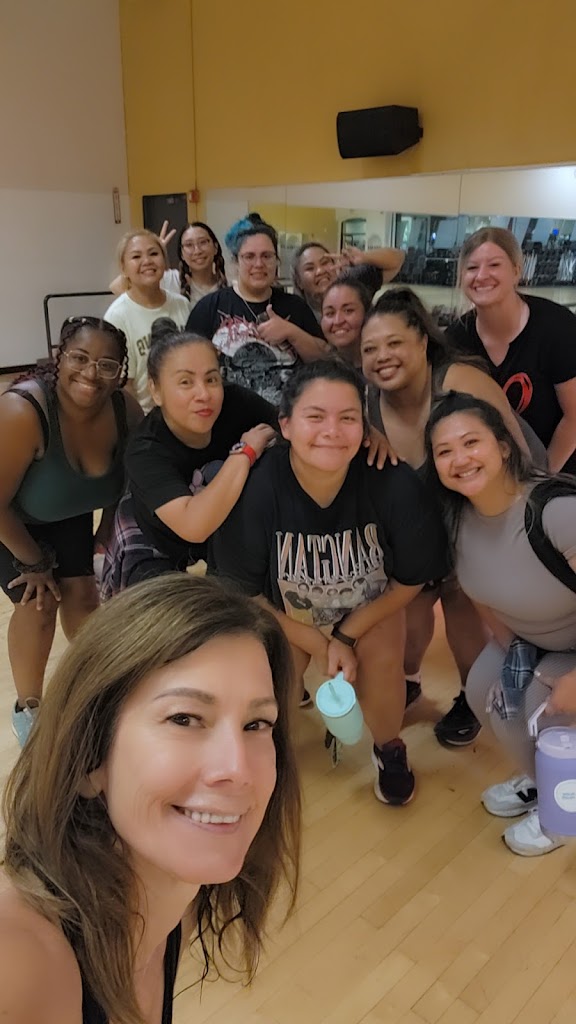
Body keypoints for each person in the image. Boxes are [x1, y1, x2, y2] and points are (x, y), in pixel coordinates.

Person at [0, 572, 301, 1022]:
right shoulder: (19, 962)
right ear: (89, 757)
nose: (238, 769)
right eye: (184, 718)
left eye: (256, 724)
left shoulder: (171, 897)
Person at [211, 361, 449, 806]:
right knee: (273, 672)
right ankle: (265, 751)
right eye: (315, 416)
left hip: (369, 605)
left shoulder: (392, 481)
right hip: (284, 610)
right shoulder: (258, 488)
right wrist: (319, 644)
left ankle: (388, 748)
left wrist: (345, 635)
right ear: (285, 424)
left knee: (382, 658)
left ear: (365, 427)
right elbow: (245, 592)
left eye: (348, 418)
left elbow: (409, 580)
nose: (332, 431)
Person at [361, 287, 543, 746]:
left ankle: (474, 699)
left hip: (486, 507)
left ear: (423, 341)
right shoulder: (369, 402)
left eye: (394, 343)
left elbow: (517, 458)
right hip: (423, 521)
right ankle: (410, 679)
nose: (382, 356)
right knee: (411, 610)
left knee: (463, 602)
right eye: (370, 349)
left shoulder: (459, 380)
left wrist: (514, 534)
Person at [426, 391, 576, 856]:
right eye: (444, 451)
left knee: (534, 708)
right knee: (483, 687)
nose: (460, 459)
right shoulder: (457, 519)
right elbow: (481, 594)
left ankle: (563, 807)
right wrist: (516, 653)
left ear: (503, 447)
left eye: (471, 442)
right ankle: (541, 776)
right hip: (532, 638)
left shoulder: (555, 511)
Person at [0, 315, 142, 746]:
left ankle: (95, 692)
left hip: (66, 513)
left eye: (106, 364)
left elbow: (127, 478)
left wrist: (107, 530)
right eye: (79, 358)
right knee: (39, 602)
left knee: (84, 597)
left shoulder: (125, 410)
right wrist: (35, 563)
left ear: (120, 371)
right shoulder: (22, 412)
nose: (91, 373)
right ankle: (29, 709)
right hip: (9, 521)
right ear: (59, 358)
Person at [101, 320, 277, 598]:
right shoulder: (144, 449)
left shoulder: (237, 402)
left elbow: (290, 426)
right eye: (185, 382)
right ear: (156, 391)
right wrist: (245, 452)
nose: (204, 394)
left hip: (223, 531)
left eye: (211, 379)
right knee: (160, 616)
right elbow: (194, 525)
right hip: (158, 539)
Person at [446, 226, 576, 473]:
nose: (481, 275)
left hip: (558, 470)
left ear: (516, 271)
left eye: (494, 265)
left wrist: (542, 479)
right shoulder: (456, 339)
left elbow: (574, 418)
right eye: (472, 268)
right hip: (493, 473)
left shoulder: (557, 327)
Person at [185, 216, 327, 406]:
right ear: (235, 262)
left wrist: (291, 332)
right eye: (249, 256)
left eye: (267, 256)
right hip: (227, 417)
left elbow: (325, 360)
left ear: (276, 261)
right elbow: (187, 366)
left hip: (285, 417)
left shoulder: (296, 306)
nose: (259, 264)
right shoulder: (209, 307)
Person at [105, 229, 190, 412]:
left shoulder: (182, 304)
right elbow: (124, 386)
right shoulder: (117, 316)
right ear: (123, 268)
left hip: (186, 410)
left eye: (153, 254)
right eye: (136, 256)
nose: (147, 261)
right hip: (148, 416)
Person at [110, 221, 227, 308]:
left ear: (215, 247)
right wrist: (155, 249)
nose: (197, 250)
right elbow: (115, 287)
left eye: (203, 242)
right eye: (189, 245)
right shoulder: (171, 279)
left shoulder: (229, 284)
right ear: (181, 254)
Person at [292, 240, 405, 321]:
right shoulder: (296, 313)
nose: (320, 271)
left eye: (325, 262)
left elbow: (398, 258)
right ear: (299, 282)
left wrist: (364, 257)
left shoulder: (354, 283)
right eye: (310, 268)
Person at [320, 277, 372, 367]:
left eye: (348, 311)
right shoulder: (323, 371)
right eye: (330, 313)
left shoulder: (383, 362)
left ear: (367, 313)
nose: (338, 321)